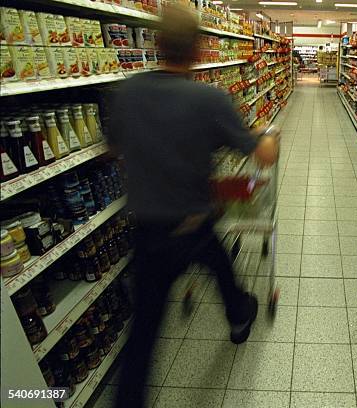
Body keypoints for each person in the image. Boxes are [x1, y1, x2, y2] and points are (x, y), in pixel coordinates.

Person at [108, 5, 278, 408]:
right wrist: (265, 133)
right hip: (193, 222)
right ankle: (239, 317)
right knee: (220, 267)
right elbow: (264, 156)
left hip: (147, 227)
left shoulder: (127, 92)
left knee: (144, 329)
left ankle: (128, 401)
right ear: (200, 51)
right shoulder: (208, 99)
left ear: (155, 44)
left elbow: (114, 147)